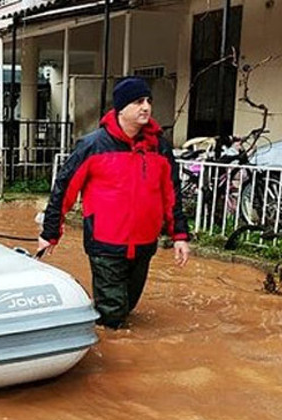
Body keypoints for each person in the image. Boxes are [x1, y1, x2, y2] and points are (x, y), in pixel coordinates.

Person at [38, 77, 190, 329]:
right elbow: (64, 189)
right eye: (138, 102)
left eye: (148, 101)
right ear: (121, 108)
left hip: (144, 244)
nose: (146, 107)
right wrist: (50, 232)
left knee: (127, 306)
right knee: (113, 316)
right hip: (105, 244)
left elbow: (171, 194)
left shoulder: (159, 147)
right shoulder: (92, 145)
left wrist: (180, 236)